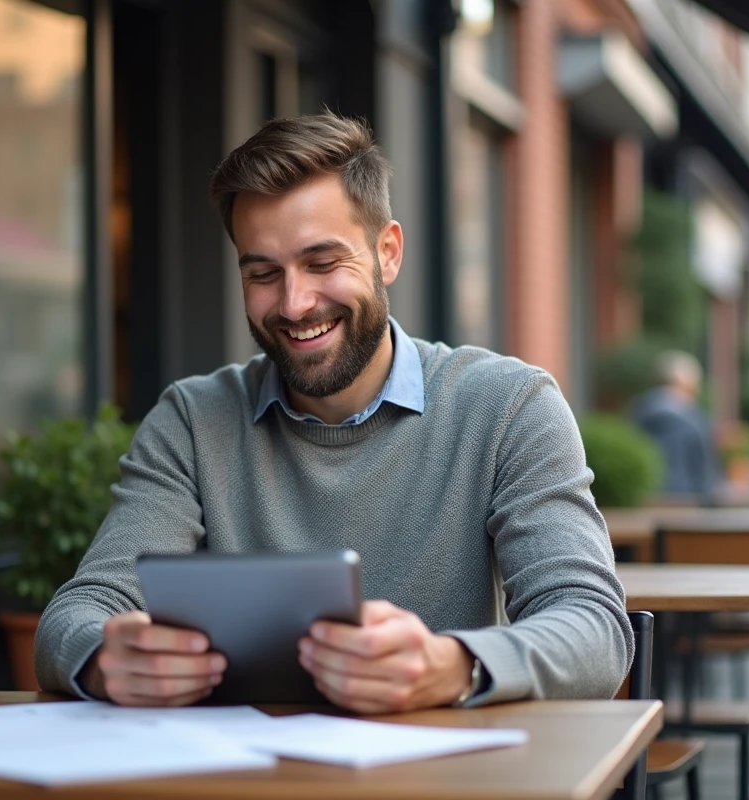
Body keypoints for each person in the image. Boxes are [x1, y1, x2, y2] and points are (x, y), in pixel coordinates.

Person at [34, 113, 632, 712]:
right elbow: (80, 611)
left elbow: (594, 629)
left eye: (322, 263)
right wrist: (106, 660)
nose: (295, 303)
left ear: (388, 253)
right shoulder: (193, 420)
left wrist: (454, 667)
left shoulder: (507, 405)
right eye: (263, 273)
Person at [631, 351, 716, 497]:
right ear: (687, 386)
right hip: (686, 498)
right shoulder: (693, 416)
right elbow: (703, 469)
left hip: (646, 495)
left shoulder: (638, 410)